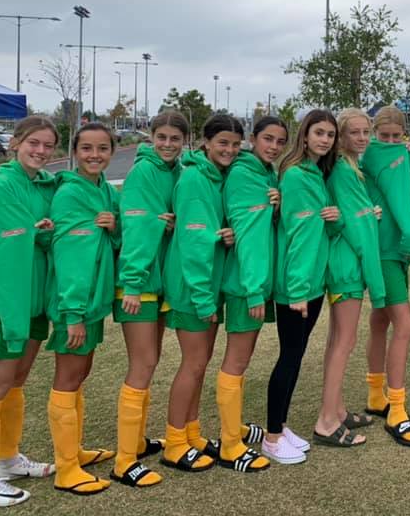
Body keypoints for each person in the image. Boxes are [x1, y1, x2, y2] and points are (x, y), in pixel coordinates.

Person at [0, 116, 59, 507]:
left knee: (16, 382)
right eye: (33, 143)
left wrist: (41, 230)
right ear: (15, 143)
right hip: (9, 306)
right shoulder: (2, 185)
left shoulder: (42, 184)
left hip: (34, 301)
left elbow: (44, 229)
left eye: (47, 146)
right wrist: (33, 232)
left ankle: (7, 459)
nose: (40, 151)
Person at [160, 115, 242, 472]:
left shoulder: (214, 177)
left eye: (236, 144)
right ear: (205, 143)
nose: (229, 150)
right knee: (193, 364)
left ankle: (191, 433)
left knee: (200, 363)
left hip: (205, 286)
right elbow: (194, 244)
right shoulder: (195, 178)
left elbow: (207, 232)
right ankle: (175, 443)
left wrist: (223, 234)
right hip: (193, 289)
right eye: (223, 143)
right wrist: (203, 299)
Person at [112, 111, 189, 488]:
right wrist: (131, 282)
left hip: (157, 282)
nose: (168, 144)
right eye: (162, 137)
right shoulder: (144, 171)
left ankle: (138, 442)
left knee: (151, 360)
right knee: (142, 365)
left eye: (175, 138)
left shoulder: (177, 170)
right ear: (151, 136)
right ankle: (124, 461)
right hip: (138, 283)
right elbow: (137, 227)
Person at [46, 123, 122, 495]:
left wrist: (115, 227)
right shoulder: (70, 195)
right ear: (75, 151)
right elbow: (69, 255)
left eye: (103, 148)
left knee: (80, 374)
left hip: (92, 302)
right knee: (68, 377)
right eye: (87, 148)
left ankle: (74, 451)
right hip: (72, 304)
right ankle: (66, 469)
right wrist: (73, 313)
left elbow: (114, 242)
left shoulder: (105, 190)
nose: (95, 155)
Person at [261, 110, 341, 464]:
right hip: (297, 287)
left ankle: (281, 425)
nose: (325, 139)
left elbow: (319, 232)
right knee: (289, 358)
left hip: (312, 284)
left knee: (295, 358)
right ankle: (272, 437)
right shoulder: (295, 175)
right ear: (304, 135)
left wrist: (333, 217)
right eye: (319, 132)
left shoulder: (315, 174)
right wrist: (296, 292)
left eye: (330, 134)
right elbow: (296, 237)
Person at [215, 117, 289, 472]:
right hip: (247, 285)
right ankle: (230, 445)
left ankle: (236, 430)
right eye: (267, 139)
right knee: (237, 362)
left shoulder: (264, 173)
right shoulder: (246, 175)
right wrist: (254, 290)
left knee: (240, 362)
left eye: (279, 141)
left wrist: (276, 205)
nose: (273, 146)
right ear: (254, 139)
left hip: (254, 283)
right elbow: (248, 237)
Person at [313, 108, 387, 447]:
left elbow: (353, 216)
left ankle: (337, 409)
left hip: (342, 264)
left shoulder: (347, 167)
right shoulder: (344, 169)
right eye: (354, 132)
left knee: (337, 341)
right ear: (341, 137)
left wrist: (367, 213)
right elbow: (359, 229)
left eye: (365, 132)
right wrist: (377, 282)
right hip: (347, 268)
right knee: (344, 343)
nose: (361, 138)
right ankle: (327, 421)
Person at [361, 106, 410, 447]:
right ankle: (397, 408)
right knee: (406, 324)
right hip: (384, 250)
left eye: (395, 137)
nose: (388, 142)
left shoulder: (401, 155)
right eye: (383, 136)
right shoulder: (367, 156)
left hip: (397, 248)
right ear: (374, 133)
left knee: (380, 321)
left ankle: (375, 394)